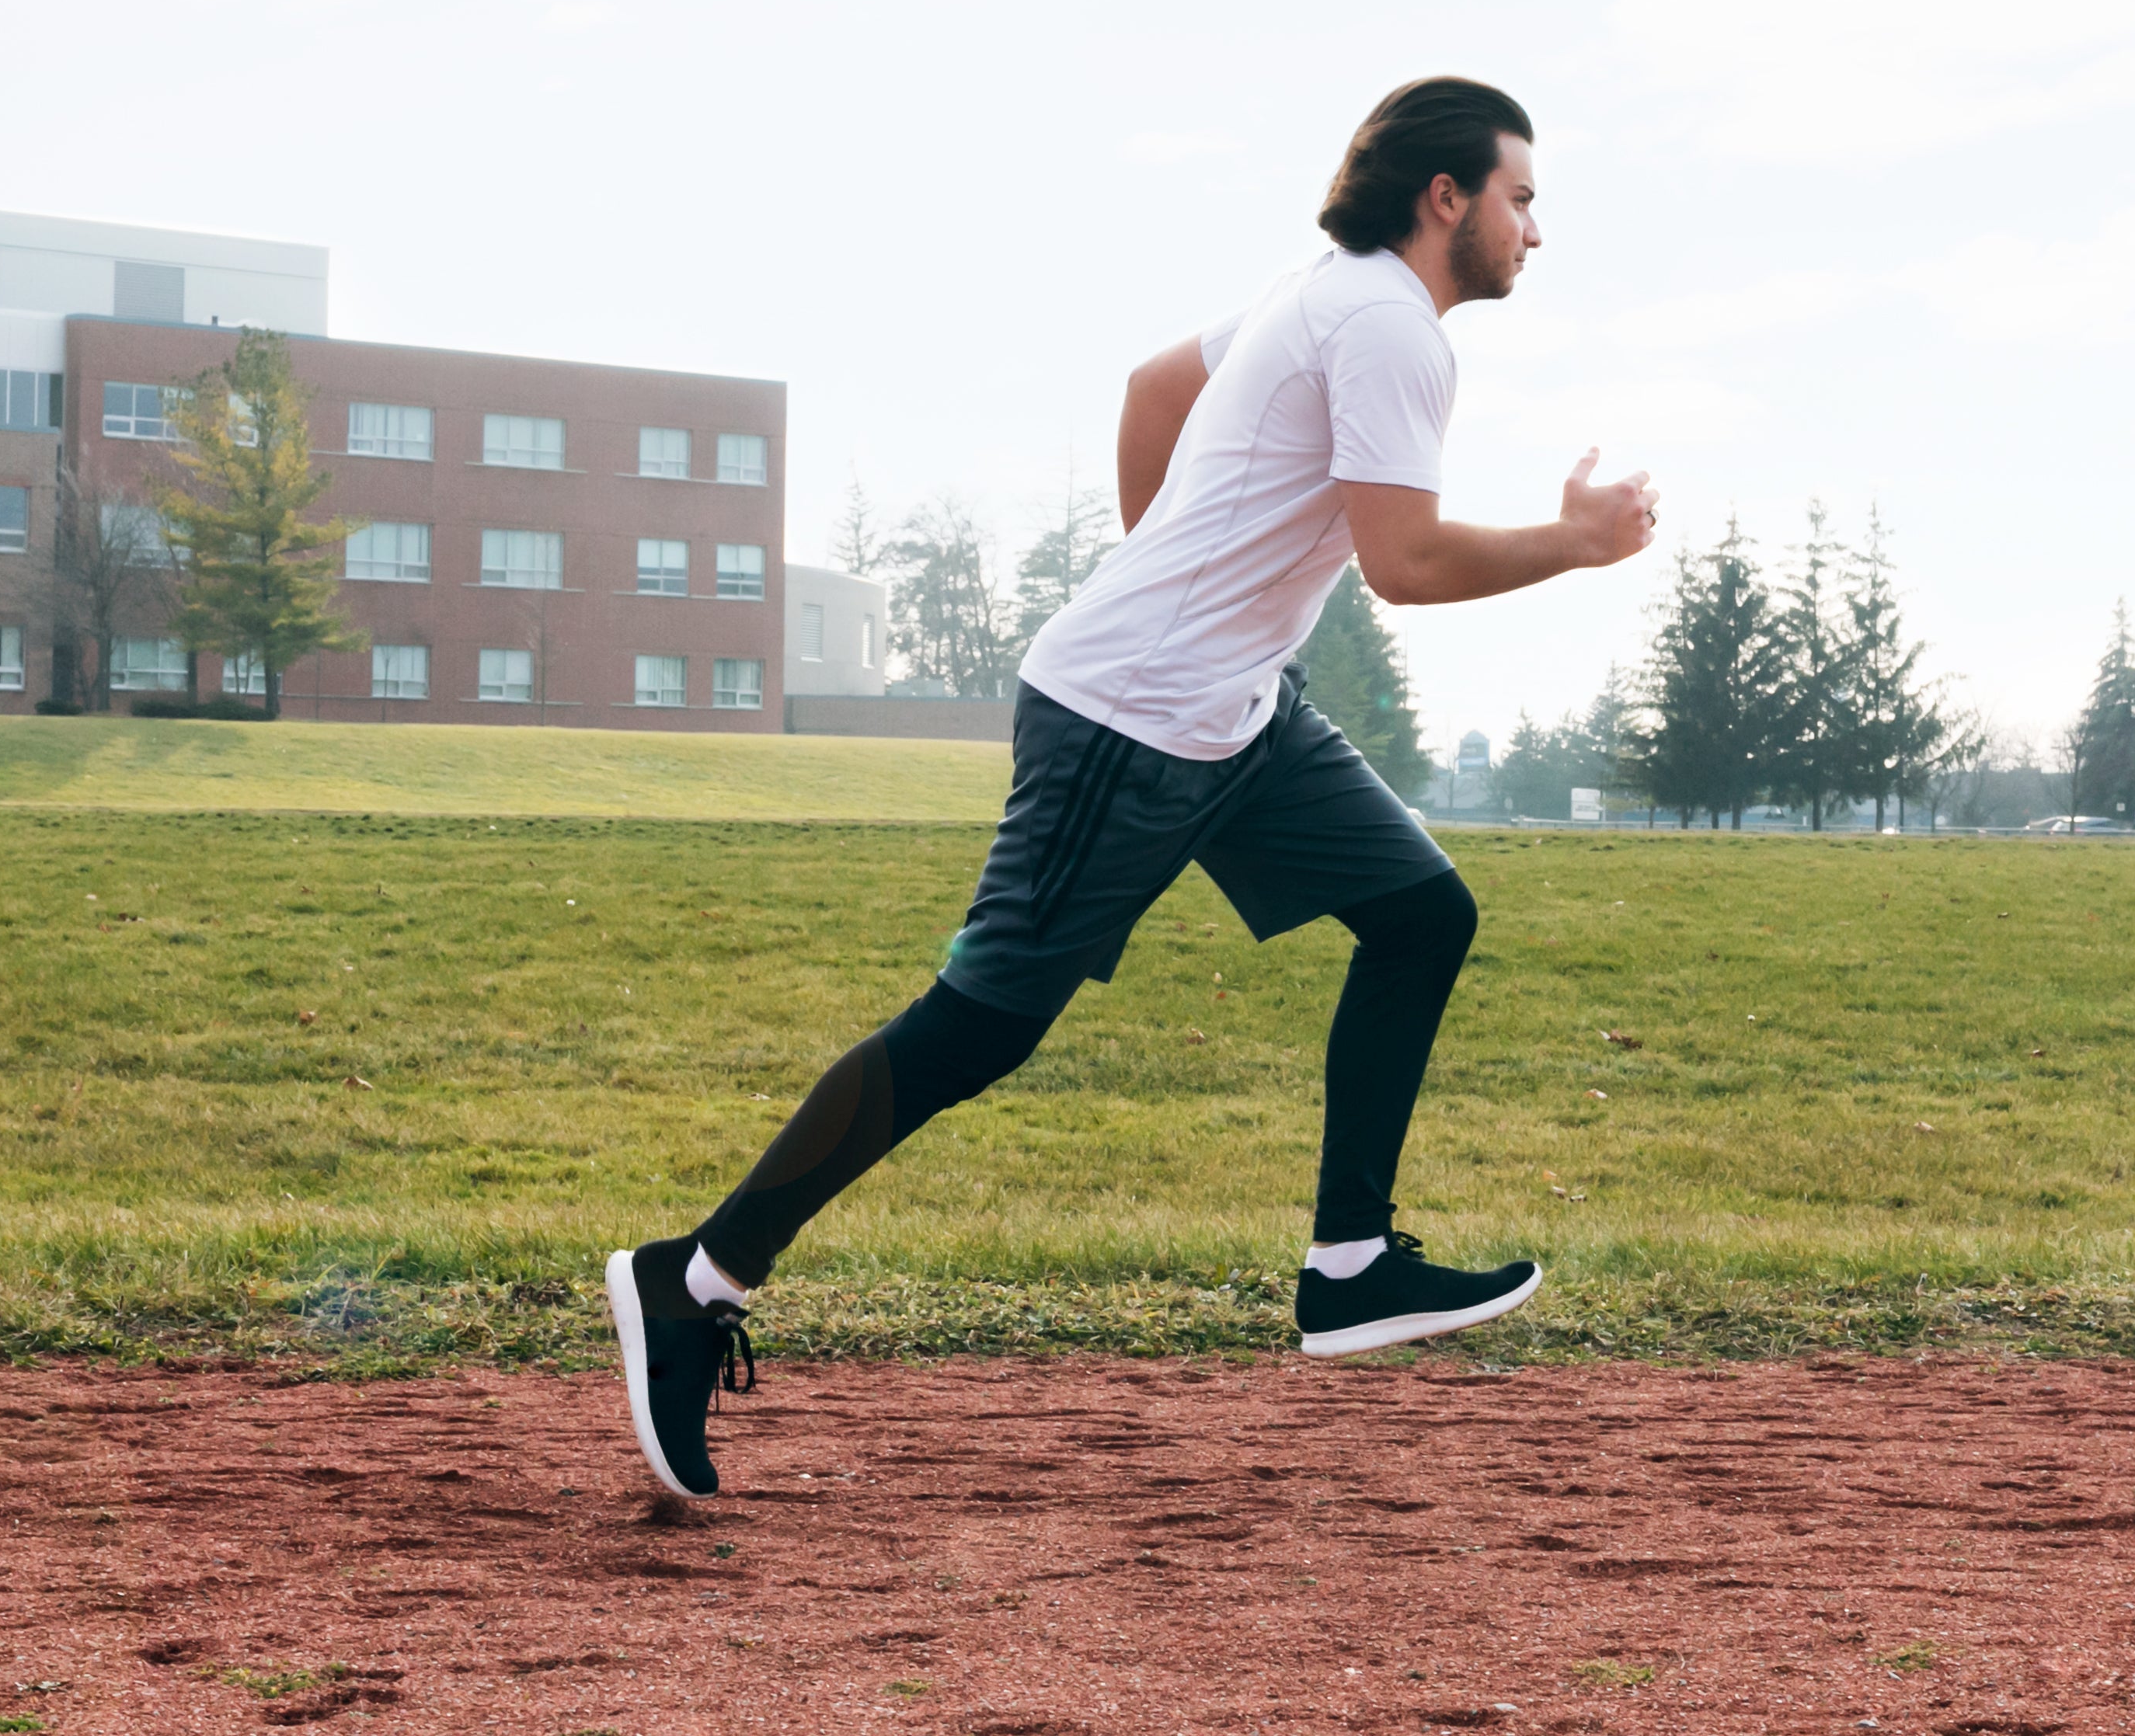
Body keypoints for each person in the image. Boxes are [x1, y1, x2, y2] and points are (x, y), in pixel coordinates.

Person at [606, 76, 1659, 1499]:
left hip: (1234, 714)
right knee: (979, 1028)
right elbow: (1405, 570)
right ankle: (696, 1277)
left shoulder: (1322, 289)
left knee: (1423, 914)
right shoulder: (1393, 329)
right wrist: (1574, 545)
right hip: (1132, 721)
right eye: (1523, 198)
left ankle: (1350, 1265)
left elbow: (1154, 388)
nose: (1538, 230)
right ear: (1446, 197)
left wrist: (1185, 580)